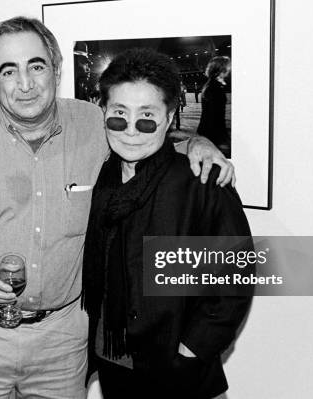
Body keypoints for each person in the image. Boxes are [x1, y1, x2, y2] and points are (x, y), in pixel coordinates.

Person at [0, 16, 234, 399]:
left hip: (63, 343)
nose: (25, 84)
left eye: (36, 66)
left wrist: (199, 143)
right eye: (9, 71)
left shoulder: (93, 124)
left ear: (57, 69)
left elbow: (142, 135)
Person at [82, 48, 252, 398]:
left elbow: (238, 269)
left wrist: (191, 348)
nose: (131, 130)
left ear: (169, 115)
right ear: (104, 112)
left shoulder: (200, 180)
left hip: (181, 375)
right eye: (119, 115)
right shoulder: (102, 175)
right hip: (115, 365)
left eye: (147, 116)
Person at [197, 56, 231, 157]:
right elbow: (214, 117)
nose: (229, 69)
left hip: (210, 134)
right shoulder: (214, 88)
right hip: (213, 136)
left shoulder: (213, 85)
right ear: (221, 69)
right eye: (228, 66)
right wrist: (222, 138)